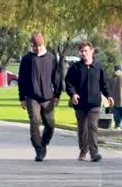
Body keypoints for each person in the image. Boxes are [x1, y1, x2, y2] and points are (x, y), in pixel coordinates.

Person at [18, 32, 62, 162]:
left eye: (39, 46)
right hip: (32, 97)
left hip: (48, 97)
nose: (36, 48)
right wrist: (22, 98)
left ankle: (44, 142)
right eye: (34, 46)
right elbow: (22, 79)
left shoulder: (51, 58)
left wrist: (57, 94)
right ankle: (39, 150)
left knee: (50, 124)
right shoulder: (27, 59)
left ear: (43, 44)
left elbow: (57, 78)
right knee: (35, 122)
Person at [64, 41, 109, 162]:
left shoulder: (98, 67)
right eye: (81, 51)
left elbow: (104, 84)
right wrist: (73, 94)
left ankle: (94, 153)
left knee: (92, 126)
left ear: (92, 51)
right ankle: (83, 150)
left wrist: (108, 95)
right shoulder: (75, 68)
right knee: (82, 128)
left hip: (94, 104)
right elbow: (68, 83)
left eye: (86, 51)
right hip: (80, 103)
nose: (83, 53)